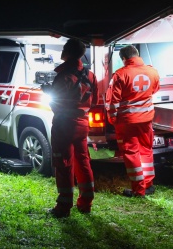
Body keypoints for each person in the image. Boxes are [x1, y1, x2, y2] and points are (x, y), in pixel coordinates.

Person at [43, 38, 98, 218]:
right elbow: (95, 101)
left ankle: (63, 206)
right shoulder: (90, 75)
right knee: (83, 161)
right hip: (82, 123)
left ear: (67, 51)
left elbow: (56, 103)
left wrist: (47, 92)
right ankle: (86, 203)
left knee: (64, 163)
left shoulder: (64, 75)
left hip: (64, 124)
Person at [105, 45, 160, 198]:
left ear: (124, 59)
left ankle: (138, 189)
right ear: (136, 55)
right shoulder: (152, 71)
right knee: (146, 150)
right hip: (146, 119)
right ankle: (148, 184)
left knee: (131, 153)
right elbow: (155, 90)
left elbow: (112, 101)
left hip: (127, 121)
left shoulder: (120, 74)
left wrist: (112, 118)